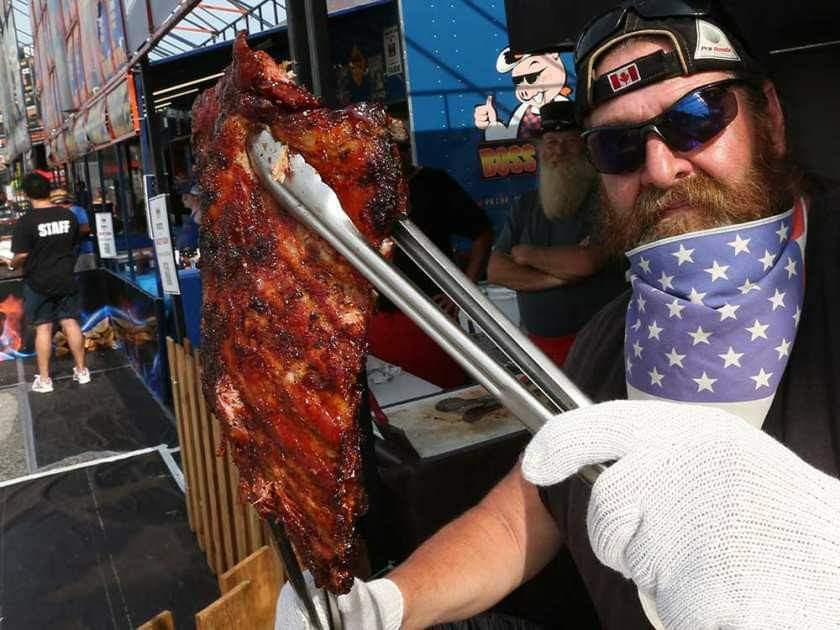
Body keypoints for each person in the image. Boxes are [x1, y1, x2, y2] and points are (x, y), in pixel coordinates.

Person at [276, 4, 840, 629]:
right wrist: (389, 603)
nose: (661, 168)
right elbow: (527, 510)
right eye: (619, 145)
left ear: (772, 120)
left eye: (696, 118)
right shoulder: (606, 344)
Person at [488, 100, 626, 365]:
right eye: (551, 142)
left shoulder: (608, 197)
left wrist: (525, 254)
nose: (559, 151)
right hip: (540, 349)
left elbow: (586, 262)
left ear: (586, 147)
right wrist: (560, 278)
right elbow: (496, 271)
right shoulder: (526, 204)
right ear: (541, 149)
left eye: (569, 142)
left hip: (601, 345)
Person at [368, 137, 494, 389]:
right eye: (383, 149)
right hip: (378, 319)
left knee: (446, 400)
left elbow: (482, 233)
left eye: (398, 148)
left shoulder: (434, 184)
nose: (392, 155)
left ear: (407, 150)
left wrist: (462, 292)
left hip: (433, 317)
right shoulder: (366, 191)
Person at [2, 173, 90, 393]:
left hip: (38, 281)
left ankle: (45, 379)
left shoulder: (26, 222)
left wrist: (12, 263)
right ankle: (81, 371)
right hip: (66, 277)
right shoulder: (68, 216)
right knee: (71, 322)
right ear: (49, 190)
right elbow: (72, 243)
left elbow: (21, 255)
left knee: (44, 327)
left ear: (27, 194)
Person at [50, 188, 96, 272]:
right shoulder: (63, 212)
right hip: (72, 254)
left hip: (83, 252)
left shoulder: (76, 210)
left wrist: (70, 240)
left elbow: (85, 229)